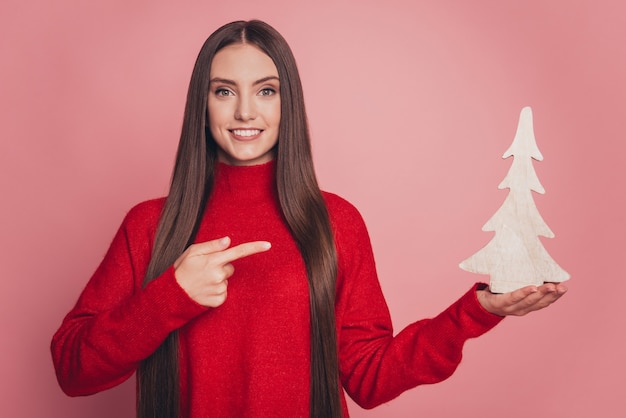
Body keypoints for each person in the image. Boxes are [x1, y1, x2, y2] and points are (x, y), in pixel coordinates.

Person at [51, 20, 567, 418]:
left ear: (287, 102)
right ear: (202, 105)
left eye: (267, 90)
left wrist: (475, 312)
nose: (246, 112)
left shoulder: (336, 222)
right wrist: (170, 296)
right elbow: (72, 369)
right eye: (224, 91)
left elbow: (369, 376)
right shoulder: (151, 225)